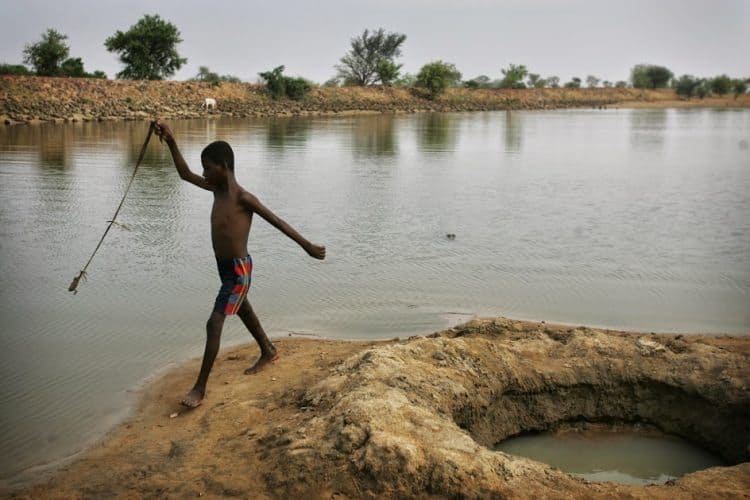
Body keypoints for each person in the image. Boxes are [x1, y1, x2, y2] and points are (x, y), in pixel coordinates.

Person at [152, 119, 326, 408]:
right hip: (225, 268)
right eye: (204, 168)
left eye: (208, 167)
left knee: (214, 321)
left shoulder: (244, 198)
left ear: (224, 166)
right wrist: (170, 139)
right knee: (242, 308)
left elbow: (278, 222)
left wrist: (307, 246)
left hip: (238, 270)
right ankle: (268, 350)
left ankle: (200, 387)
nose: (204, 173)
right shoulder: (216, 190)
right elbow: (184, 174)